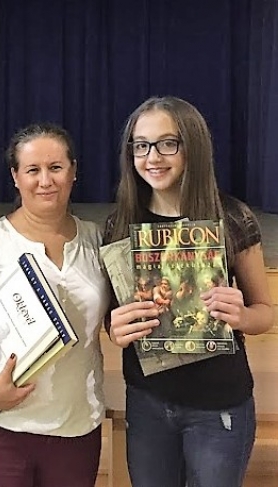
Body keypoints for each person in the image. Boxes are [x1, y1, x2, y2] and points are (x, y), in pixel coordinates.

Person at [103, 96, 274, 487]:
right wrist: (116, 329)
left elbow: (264, 312)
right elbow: (114, 319)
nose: (152, 157)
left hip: (218, 406)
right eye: (141, 145)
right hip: (147, 402)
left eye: (168, 143)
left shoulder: (231, 217)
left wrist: (242, 316)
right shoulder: (120, 223)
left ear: (192, 146)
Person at [0, 123, 110, 487]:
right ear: (15, 176)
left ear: (73, 170)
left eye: (55, 168)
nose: (45, 181)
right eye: (32, 170)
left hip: (76, 430)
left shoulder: (95, 239)